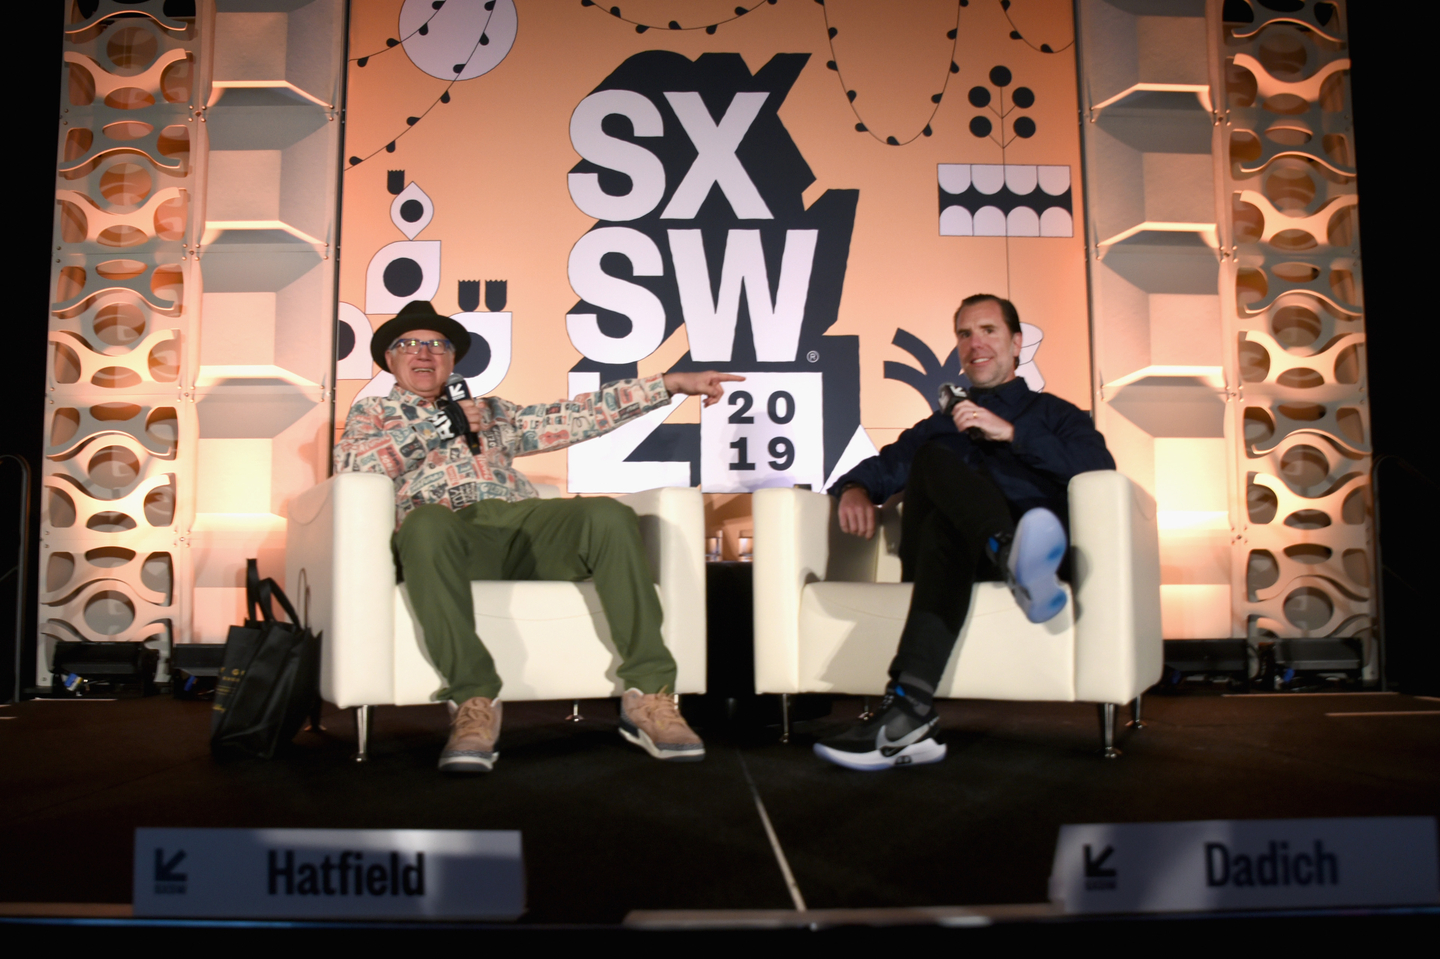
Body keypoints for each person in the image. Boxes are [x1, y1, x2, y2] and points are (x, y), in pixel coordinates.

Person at [334, 300, 741, 773]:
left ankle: (648, 696)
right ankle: (473, 702)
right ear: (390, 359)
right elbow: (353, 467)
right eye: (409, 344)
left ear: (451, 359)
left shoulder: (492, 410)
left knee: (606, 515)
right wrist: (442, 426)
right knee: (425, 525)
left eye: (437, 344)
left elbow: (576, 415)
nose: (424, 353)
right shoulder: (374, 412)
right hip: (448, 538)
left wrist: (668, 385)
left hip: (520, 527)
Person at [814, 294, 1115, 771]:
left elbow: (1098, 471)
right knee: (933, 460)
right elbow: (881, 468)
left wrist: (1012, 434)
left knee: (940, 527)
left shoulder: (1057, 416)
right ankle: (1008, 554)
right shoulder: (937, 427)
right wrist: (852, 489)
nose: (976, 343)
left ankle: (909, 708)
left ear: (1016, 343)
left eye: (989, 331)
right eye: (964, 334)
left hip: (1027, 550)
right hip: (976, 561)